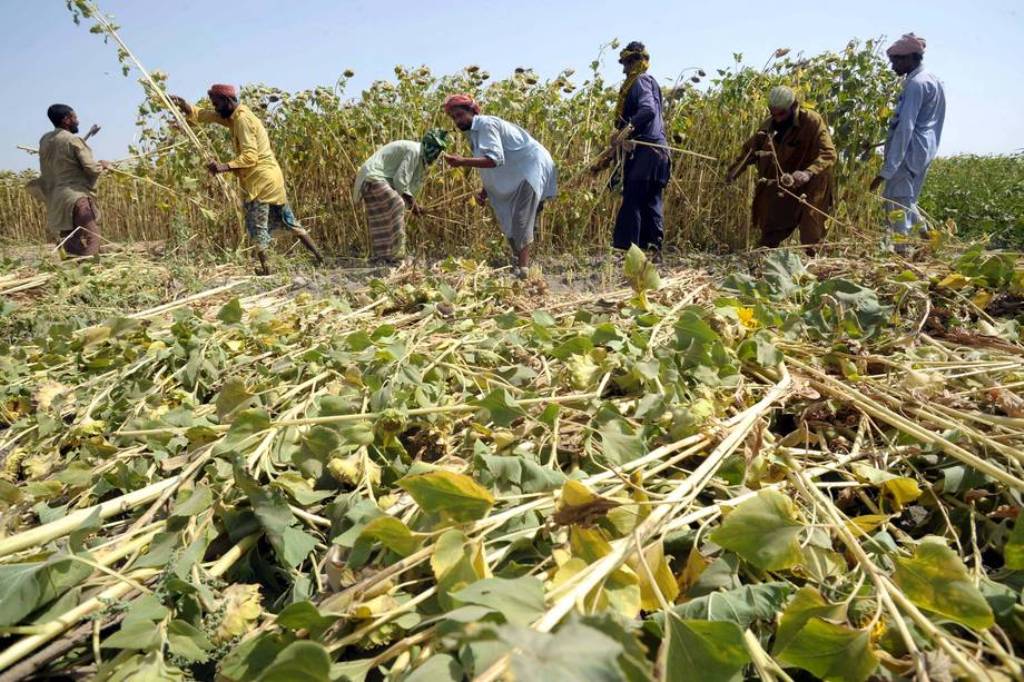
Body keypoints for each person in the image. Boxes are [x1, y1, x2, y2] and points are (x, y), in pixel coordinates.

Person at [170, 85, 325, 275]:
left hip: (260, 181)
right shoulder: (235, 116)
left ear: (228, 101)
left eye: (217, 104)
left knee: (256, 225)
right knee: (289, 220)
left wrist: (223, 167)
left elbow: (250, 156)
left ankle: (267, 270)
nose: (216, 108)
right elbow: (210, 116)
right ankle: (320, 258)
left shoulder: (242, 120)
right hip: (271, 178)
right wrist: (186, 107)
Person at [441, 94, 556, 278]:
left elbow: (495, 159)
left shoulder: (486, 124)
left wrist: (462, 161)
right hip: (516, 172)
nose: (457, 120)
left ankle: (523, 270)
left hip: (530, 167)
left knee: (520, 217)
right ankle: (519, 264)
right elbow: (489, 163)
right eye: (453, 117)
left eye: (460, 114)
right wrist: (484, 190)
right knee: (509, 220)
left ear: (472, 111)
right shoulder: (473, 134)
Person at [725, 86, 837, 251]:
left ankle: (816, 265)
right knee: (772, 224)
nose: (777, 119)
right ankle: (763, 260)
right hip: (784, 185)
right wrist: (734, 172)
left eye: (781, 114)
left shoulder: (812, 121)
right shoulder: (767, 127)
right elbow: (749, 152)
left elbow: (829, 153)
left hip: (813, 183)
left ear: (793, 107)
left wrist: (808, 173)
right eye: (773, 113)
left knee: (811, 230)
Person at [870, 33, 945, 245]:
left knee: (896, 204)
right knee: (907, 199)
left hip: (909, 151)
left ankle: (902, 251)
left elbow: (906, 127)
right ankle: (930, 239)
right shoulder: (933, 81)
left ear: (910, 58)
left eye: (896, 61)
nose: (893, 67)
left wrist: (886, 170)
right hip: (923, 150)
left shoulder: (916, 85)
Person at [609, 41, 671, 252]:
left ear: (637, 61)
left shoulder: (641, 82)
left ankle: (628, 251)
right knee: (650, 202)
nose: (624, 69)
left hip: (648, 151)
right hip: (658, 153)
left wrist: (626, 131)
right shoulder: (649, 83)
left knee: (633, 201)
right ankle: (652, 252)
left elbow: (648, 111)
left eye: (627, 63)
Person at [353, 130, 449, 264]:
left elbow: (408, 187)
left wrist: (414, 205)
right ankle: (397, 255)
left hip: (375, 178)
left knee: (381, 217)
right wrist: (412, 204)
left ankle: (383, 257)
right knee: (397, 203)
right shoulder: (415, 151)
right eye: (435, 151)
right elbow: (400, 180)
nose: (436, 156)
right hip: (373, 176)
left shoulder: (420, 159)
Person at [27, 104, 110, 257]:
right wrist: (103, 166)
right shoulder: (73, 140)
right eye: (75, 118)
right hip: (75, 196)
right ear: (66, 120)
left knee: (69, 239)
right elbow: (90, 168)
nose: (77, 121)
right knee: (93, 235)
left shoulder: (44, 140)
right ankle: (89, 271)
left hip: (56, 198)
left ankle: (73, 273)